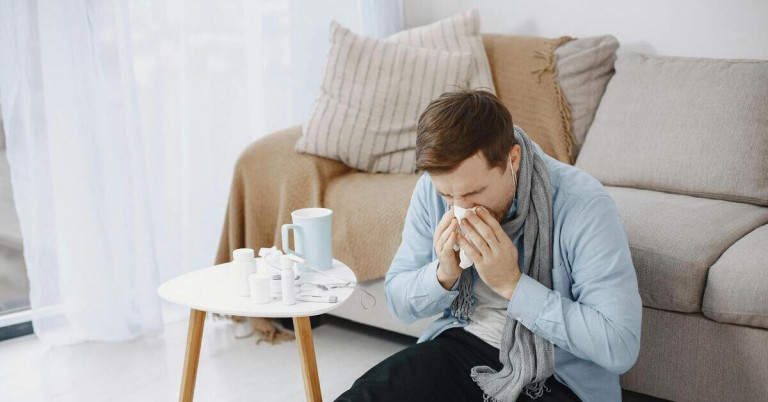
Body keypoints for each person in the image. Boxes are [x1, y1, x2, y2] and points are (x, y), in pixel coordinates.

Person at [336, 89, 642, 402]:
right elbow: (399, 303)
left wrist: (513, 285)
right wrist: (443, 274)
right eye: (447, 196)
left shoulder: (583, 205)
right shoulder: (432, 190)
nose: (459, 208)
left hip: (556, 373)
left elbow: (620, 346)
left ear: (512, 159)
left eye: (473, 193)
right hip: (463, 343)